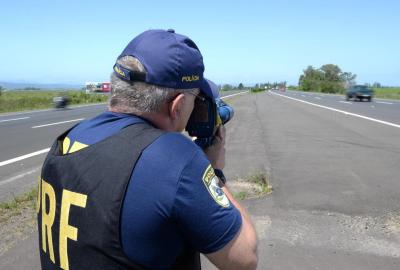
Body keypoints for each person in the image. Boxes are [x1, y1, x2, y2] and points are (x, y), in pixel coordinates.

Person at [37, 29, 257, 270]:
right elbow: (244, 259)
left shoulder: (68, 139)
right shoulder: (174, 159)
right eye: (195, 99)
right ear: (178, 105)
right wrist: (214, 173)